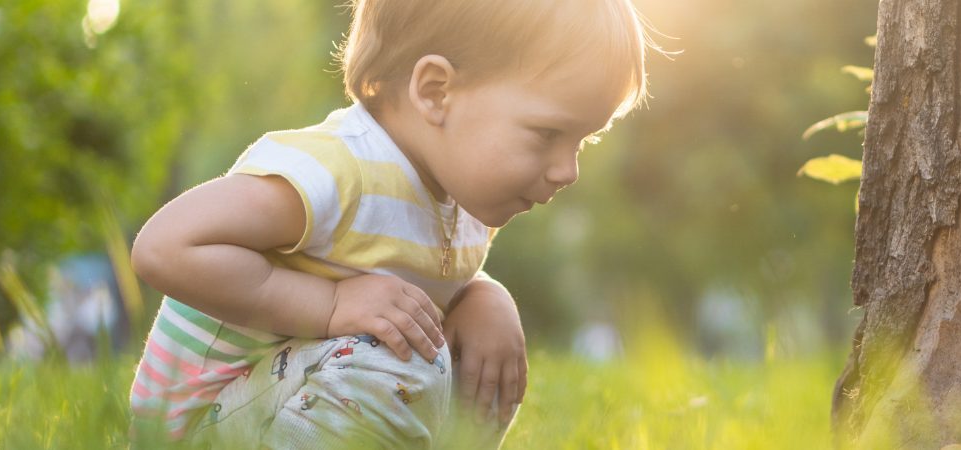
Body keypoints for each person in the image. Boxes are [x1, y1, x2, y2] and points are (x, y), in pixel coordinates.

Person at [126, 0, 659, 446]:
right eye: (548, 134)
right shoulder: (335, 170)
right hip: (198, 424)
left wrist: (482, 297)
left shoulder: (461, 198)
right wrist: (332, 305)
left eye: (585, 140)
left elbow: (407, 285)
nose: (569, 171)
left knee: (469, 355)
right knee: (398, 356)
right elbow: (166, 246)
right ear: (435, 92)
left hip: (283, 400)